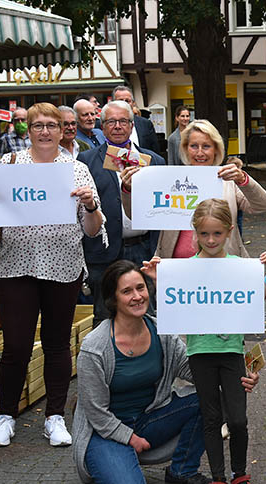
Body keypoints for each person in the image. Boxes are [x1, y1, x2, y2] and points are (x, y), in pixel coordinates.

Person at [72, 260, 260, 484]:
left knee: (218, 399)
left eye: (141, 288)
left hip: (149, 418)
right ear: (112, 300)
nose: (138, 296)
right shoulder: (95, 347)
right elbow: (94, 412)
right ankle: (109, 462)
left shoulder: (161, 331)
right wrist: (129, 438)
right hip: (105, 430)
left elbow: (194, 372)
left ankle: (181, 472)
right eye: (127, 291)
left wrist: (238, 379)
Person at [0, 103, 106, 448]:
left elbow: (92, 230)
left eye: (52, 125)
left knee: (58, 343)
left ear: (63, 131)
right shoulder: (10, 166)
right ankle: (5, 416)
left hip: (63, 266)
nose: (45, 131)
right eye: (38, 125)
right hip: (18, 265)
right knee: (16, 346)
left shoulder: (75, 170)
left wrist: (90, 205)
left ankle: (54, 417)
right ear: (27, 130)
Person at [141, 199, 266, 484]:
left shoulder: (238, 267)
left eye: (217, 233)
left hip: (231, 352)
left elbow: (253, 302)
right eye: (205, 234)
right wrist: (160, 281)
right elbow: (176, 304)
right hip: (199, 352)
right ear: (196, 233)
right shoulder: (186, 269)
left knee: (238, 420)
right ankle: (218, 478)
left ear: (229, 231)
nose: (212, 240)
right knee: (211, 418)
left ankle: (239, 475)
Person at [120, 119, 266, 260]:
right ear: (185, 149)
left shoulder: (227, 181)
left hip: (224, 266)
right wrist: (127, 190)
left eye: (206, 146)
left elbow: (262, 205)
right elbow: (136, 215)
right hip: (177, 266)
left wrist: (243, 180)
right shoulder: (169, 179)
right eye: (194, 146)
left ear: (216, 150)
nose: (200, 153)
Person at [78, 100, 165, 326]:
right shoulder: (86, 162)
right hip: (104, 253)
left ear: (132, 125)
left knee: (148, 315)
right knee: (105, 317)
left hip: (144, 249)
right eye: (111, 122)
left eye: (123, 121)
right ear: (103, 126)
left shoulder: (154, 161)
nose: (117, 126)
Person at [112, 85, 161, 154]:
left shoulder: (145, 124)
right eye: (120, 100)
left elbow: (154, 150)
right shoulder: (106, 124)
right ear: (113, 103)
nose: (124, 103)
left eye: (127, 101)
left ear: (133, 103)